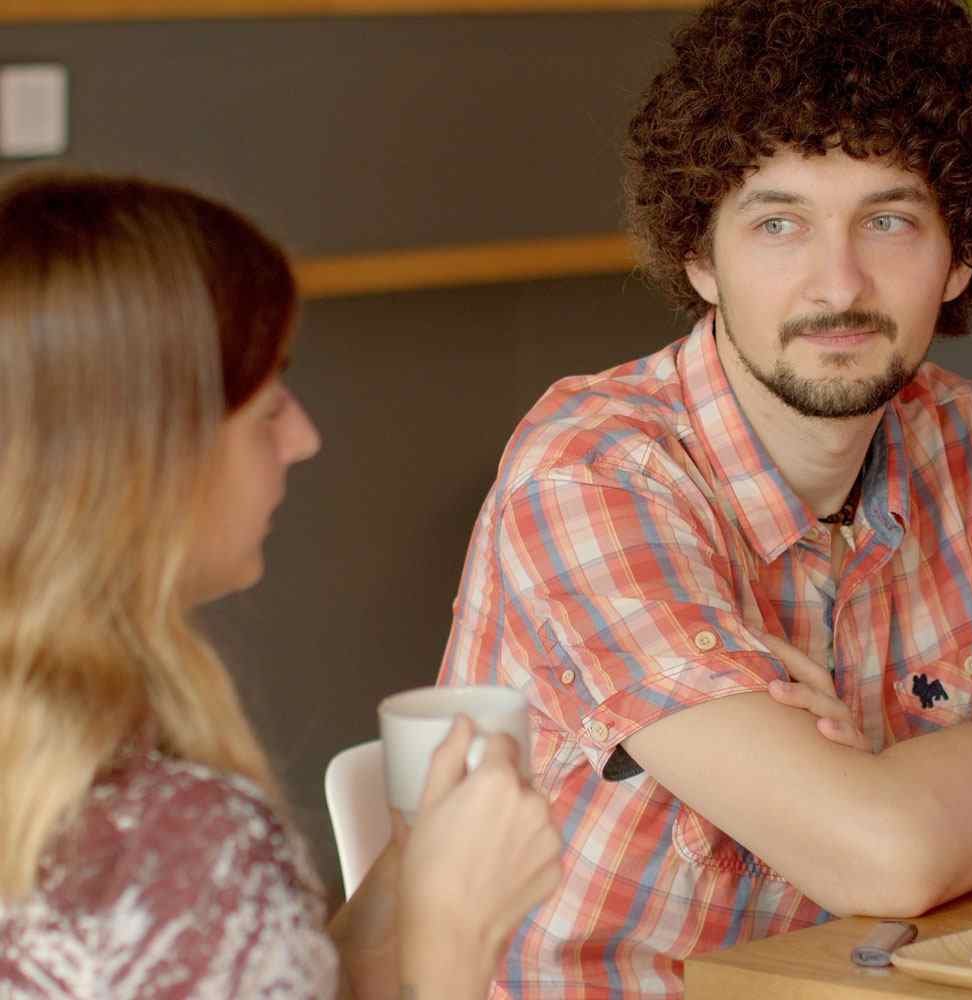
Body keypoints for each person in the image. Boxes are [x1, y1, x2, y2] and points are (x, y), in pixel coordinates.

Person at [437, 0, 972, 997]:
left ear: (959, 254)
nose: (838, 282)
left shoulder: (970, 444)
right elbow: (880, 853)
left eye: (888, 220)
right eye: (778, 221)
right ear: (700, 257)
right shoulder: (593, 475)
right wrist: (897, 807)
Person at [0, 172, 563, 999]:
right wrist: (456, 939)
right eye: (266, 407)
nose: (302, 438)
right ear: (143, 459)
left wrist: (413, 870)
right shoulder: (179, 845)